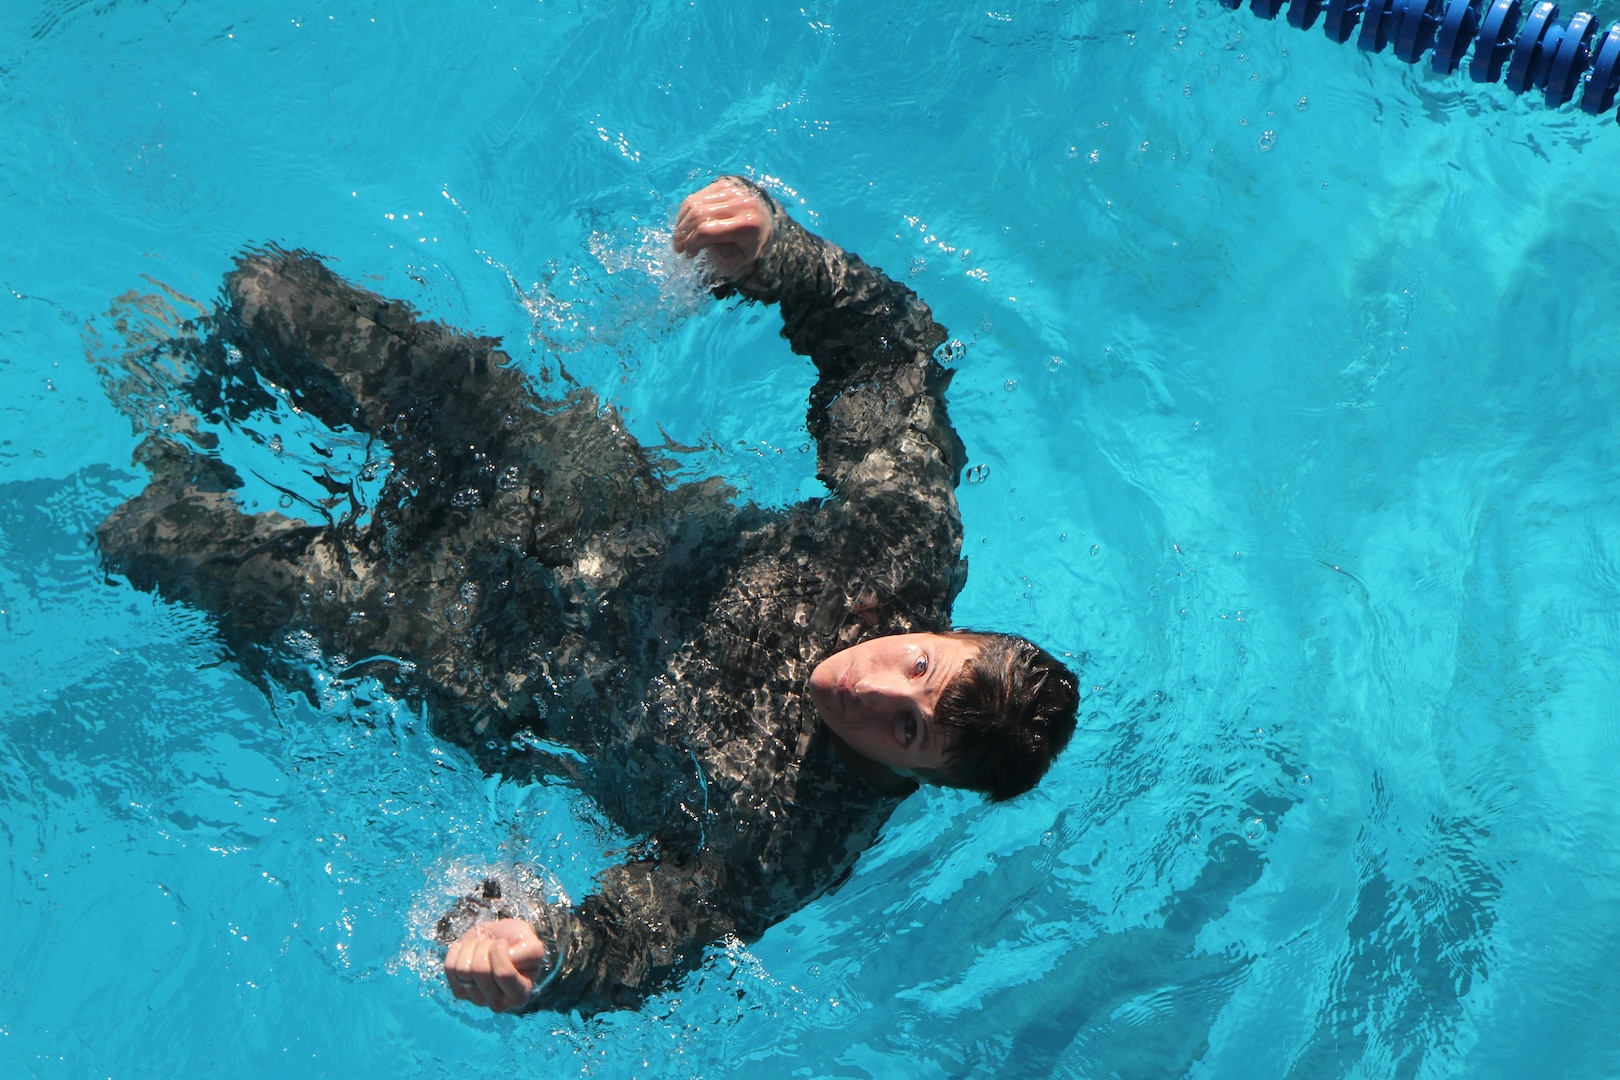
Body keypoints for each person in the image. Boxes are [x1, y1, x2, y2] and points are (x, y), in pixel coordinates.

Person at [94, 176, 1081, 1015]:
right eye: (918, 666)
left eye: (906, 730)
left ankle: (179, 465)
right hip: (565, 492)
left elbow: (652, 938)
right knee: (269, 290)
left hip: (471, 644)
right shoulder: (902, 543)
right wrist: (776, 252)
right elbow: (892, 355)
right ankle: (204, 391)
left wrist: (541, 956)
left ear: (920, 776)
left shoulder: (794, 834)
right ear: (946, 634)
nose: (871, 688)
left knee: (144, 538)